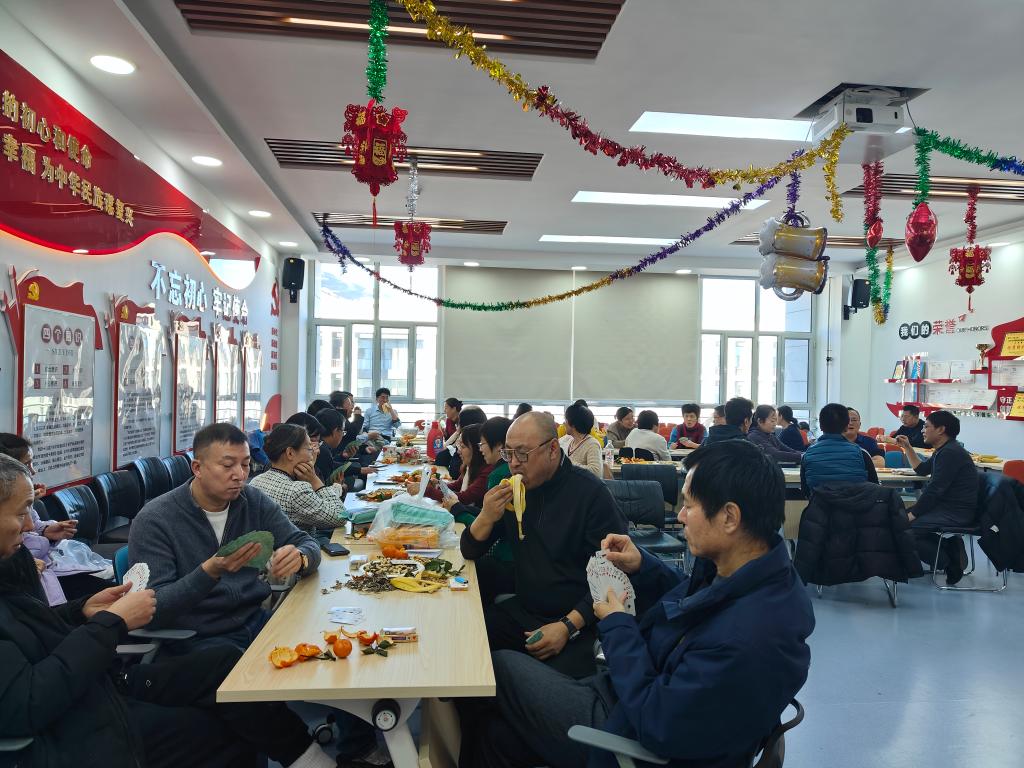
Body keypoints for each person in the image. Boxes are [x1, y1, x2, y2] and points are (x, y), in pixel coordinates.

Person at [460, 440, 814, 768]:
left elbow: (657, 721)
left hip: (628, 729)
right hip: (627, 689)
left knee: (496, 667)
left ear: (729, 517)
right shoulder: (749, 573)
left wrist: (617, 625)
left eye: (689, 505)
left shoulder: (750, 636)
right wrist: (644, 565)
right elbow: (692, 604)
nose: (681, 515)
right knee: (496, 734)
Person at [0, 454, 339, 768]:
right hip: (71, 723)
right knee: (224, 727)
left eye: (245, 464)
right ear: (198, 468)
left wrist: (80, 611)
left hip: (95, 683)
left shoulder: (11, 563)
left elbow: (32, 632)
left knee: (224, 665)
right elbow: (26, 704)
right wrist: (111, 624)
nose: (30, 526)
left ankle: (308, 757)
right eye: (20, 513)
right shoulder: (159, 516)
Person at [461, 412, 627, 679]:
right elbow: (470, 551)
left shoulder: (590, 494)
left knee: (550, 687)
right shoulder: (514, 492)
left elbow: (613, 577)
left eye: (522, 453)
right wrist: (486, 516)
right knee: (465, 641)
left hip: (579, 620)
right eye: (508, 453)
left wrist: (567, 626)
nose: (514, 463)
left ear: (552, 449)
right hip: (525, 610)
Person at [128, 423, 321, 649]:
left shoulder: (252, 501)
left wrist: (301, 557)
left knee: (317, 637)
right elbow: (153, 609)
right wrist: (209, 572)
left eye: (246, 464)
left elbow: (306, 542)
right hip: (196, 638)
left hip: (253, 622)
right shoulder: (156, 520)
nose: (240, 475)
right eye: (228, 465)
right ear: (197, 468)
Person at [0, 433, 107, 602]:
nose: (33, 471)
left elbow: (32, 526)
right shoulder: (15, 576)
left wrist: (46, 530)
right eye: (27, 464)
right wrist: (23, 565)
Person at [896, 410, 976, 584]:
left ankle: (949, 562)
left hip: (955, 512)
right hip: (945, 508)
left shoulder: (950, 453)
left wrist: (914, 513)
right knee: (899, 520)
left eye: (926, 426)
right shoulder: (945, 449)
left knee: (903, 528)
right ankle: (950, 547)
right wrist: (908, 447)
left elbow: (935, 490)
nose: (923, 430)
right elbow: (922, 470)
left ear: (941, 430)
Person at [249, 423, 348, 533]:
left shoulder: (255, 481)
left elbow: (317, 502)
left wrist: (337, 488)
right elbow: (341, 516)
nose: (313, 454)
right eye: (309, 449)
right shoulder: (297, 490)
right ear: (290, 453)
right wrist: (315, 480)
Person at [413, 423, 495, 513]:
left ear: (477, 450)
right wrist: (438, 485)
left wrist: (426, 490)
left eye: (462, 446)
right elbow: (456, 486)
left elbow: (463, 498)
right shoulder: (470, 467)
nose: (459, 451)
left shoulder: (487, 472)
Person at [800, 403, 878, 496]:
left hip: (820, 504)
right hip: (856, 504)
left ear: (820, 426)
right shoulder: (861, 453)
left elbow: (805, 491)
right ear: (846, 426)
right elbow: (874, 487)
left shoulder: (808, 454)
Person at [314, 407, 376, 491]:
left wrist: (343, 456)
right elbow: (325, 487)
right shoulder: (321, 450)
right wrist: (340, 488)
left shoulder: (322, 447)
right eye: (343, 432)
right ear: (336, 431)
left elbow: (331, 463)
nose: (343, 436)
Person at [558, 402, 604, 478]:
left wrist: (568, 463)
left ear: (573, 424)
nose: (564, 423)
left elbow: (596, 472)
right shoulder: (568, 440)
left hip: (583, 485)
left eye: (565, 420)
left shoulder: (592, 444)